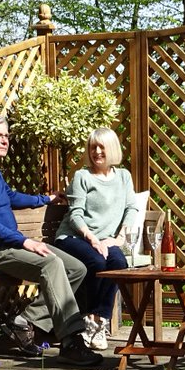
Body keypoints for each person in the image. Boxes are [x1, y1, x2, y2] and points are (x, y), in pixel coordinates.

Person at [0, 113, 102, 366]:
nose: (5, 141)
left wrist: (45, 199)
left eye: (6, 136)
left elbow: (9, 197)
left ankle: (24, 321)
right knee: (51, 264)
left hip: (10, 244)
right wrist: (24, 241)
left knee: (77, 268)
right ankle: (71, 341)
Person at [50, 127, 139, 351]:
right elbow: (75, 214)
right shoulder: (82, 176)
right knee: (97, 262)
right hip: (73, 236)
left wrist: (119, 239)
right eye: (93, 147)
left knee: (119, 263)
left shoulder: (123, 177)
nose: (97, 152)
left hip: (107, 240)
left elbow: (131, 208)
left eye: (102, 147)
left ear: (112, 149)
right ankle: (90, 320)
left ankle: (98, 320)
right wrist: (92, 239)